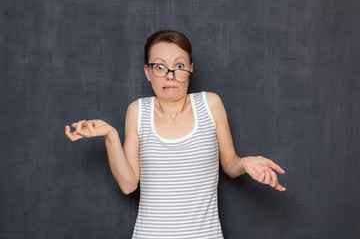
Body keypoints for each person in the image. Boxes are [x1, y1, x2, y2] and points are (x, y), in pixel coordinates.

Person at [65, 29, 286, 239]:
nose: (170, 76)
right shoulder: (137, 111)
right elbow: (128, 184)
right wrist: (110, 136)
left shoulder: (211, 104)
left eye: (178, 66)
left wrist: (245, 163)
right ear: (147, 72)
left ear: (191, 68)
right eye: (160, 67)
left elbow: (229, 164)